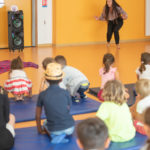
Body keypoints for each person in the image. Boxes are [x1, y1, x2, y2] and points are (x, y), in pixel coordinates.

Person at [36, 63, 75, 144]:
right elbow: (68, 109)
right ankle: (62, 134)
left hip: (54, 129)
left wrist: (40, 130)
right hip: (70, 128)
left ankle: (56, 136)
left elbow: (37, 115)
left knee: (45, 123)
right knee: (65, 123)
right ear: (61, 79)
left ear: (46, 79)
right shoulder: (66, 92)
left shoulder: (42, 94)